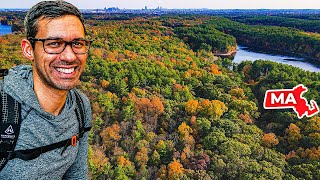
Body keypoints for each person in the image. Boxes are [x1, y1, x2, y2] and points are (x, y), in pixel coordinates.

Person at [0, 0, 92, 179]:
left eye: (78, 43)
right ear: (28, 50)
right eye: (54, 43)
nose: (69, 56)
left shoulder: (80, 106)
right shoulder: (4, 107)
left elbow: (76, 174)